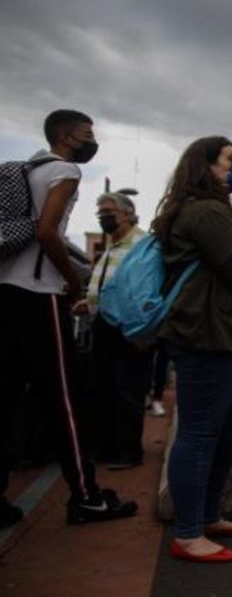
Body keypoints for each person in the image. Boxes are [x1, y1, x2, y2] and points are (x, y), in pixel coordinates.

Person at [0, 109, 138, 528]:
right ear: (64, 136)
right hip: (39, 295)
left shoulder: (22, 170)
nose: (91, 141)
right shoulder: (64, 171)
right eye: (86, 133)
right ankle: (86, 497)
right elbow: (47, 233)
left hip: (5, 294)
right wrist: (73, 283)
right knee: (64, 399)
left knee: (4, 399)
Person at [151, 136, 232, 562]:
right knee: (202, 431)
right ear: (204, 167)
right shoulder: (205, 211)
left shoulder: (207, 210)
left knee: (225, 431)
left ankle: (206, 516)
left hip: (221, 332)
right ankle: (188, 534)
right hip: (207, 335)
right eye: (231, 160)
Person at [75, 193, 152, 470]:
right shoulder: (113, 246)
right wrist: (91, 302)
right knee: (102, 387)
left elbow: (146, 288)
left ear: (129, 214)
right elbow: (111, 286)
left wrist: (144, 332)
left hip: (128, 326)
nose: (103, 217)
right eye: (100, 213)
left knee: (127, 390)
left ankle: (129, 451)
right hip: (104, 324)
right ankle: (107, 447)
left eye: (108, 212)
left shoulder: (142, 244)